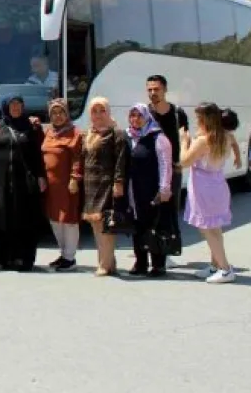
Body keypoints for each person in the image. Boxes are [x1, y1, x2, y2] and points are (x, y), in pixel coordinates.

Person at [0, 95, 47, 272]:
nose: (16, 108)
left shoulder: (32, 127)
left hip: (25, 180)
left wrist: (41, 176)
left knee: (24, 218)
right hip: (0, 181)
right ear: (6, 107)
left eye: (19, 105)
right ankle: (2, 258)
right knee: (1, 219)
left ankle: (23, 258)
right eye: (12, 105)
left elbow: (39, 154)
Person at [180, 102, 237, 283]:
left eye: (199, 118)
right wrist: (239, 157)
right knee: (214, 227)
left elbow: (185, 161)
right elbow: (235, 144)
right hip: (217, 183)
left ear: (205, 119)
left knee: (207, 228)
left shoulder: (203, 140)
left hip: (203, 186)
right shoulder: (225, 135)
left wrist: (184, 142)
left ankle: (226, 268)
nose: (197, 121)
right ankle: (216, 265)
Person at [81, 97, 129, 277]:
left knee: (106, 225)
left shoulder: (116, 134)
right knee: (96, 225)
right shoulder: (88, 134)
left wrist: (118, 182)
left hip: (107, 184)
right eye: (94, 111)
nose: (98, 115)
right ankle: (108, 261)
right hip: (90, 184)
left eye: (102, 111)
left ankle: (104, 263)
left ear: (108, 112)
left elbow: (120, 161)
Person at [125, 103, 174, 278]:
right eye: (132, 115)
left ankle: (159, 264)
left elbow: (165, 164)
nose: (135, 119)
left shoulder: (157, 137)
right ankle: (141, 262)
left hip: (152, 189)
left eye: (139, 115)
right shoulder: (129, 136)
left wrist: (164, 188)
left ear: (147, 117)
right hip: (134, 189)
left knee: (154, 225)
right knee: (137, 225)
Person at [145, 75, 190, 247]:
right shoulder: (145, 113)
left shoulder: (178, 113)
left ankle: (170, 245)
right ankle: (153, 246)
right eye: (149, 89)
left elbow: (185, 138)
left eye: (156, 89)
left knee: (170, 208)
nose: (153, 92)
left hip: (172, 169)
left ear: (165, 90)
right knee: (150, 210)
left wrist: (182, 161)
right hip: (150, 169)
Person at [40, 98, 83, 272]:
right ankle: (63, 253)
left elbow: (77, 157)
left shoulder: (75, 133)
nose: (58, 116)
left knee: (69, 219)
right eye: (54, 113)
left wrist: (75, 178)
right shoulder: (49, 132)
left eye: (61, 112)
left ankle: (70, 257)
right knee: (54, 218)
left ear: (67, 114)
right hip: (50, 185)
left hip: (67, 184)